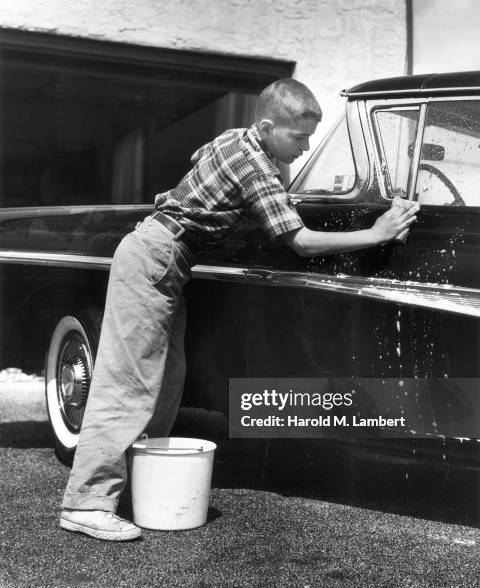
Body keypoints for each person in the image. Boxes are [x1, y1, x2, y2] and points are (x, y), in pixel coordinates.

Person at [60, 79, 419, 540]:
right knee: (129, 384)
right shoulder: (256, 167)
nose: (306, 147)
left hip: (163, 258)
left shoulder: (234, 139)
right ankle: (86, 503)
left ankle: (137, 487)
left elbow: (199, 163)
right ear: (268, 127)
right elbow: (300, 242)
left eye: (311, 137)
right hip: (158, 257)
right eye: (298, 137)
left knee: (165, 383)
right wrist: (378, 231)